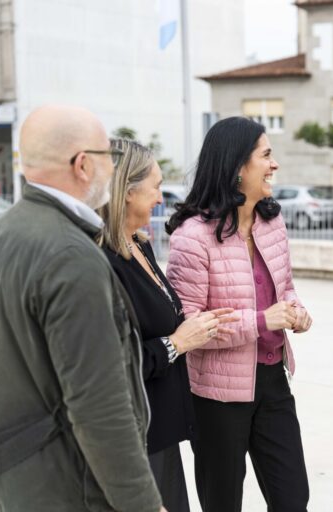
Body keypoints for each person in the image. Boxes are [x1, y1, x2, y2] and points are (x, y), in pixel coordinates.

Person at [0, 105, 164, 511]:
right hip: (74, 489)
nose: (114, 168)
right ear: (83, 165)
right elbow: (99, 407)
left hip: (22, 485)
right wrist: (143, 504)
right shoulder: (72, 255)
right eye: (109, 157)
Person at [166, 116, 313, 512]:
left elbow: (284, 289)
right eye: (266, 155)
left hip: (272, 380)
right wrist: (264, 320)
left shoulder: (272, 221)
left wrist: (296, 312)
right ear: (236, 167)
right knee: (222, 502)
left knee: (293, 498)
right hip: (216, 395)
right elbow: (189, 325)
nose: (274, 164)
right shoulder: (192, 237)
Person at [97, 138, 238, 512]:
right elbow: (108, 365)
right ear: (126, 191)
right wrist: (177, 342)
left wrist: (202, 325)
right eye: (156, 186)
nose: (162, 198)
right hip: (133, 437)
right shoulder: (100, 261)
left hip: (162, 429)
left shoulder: (139, 246)